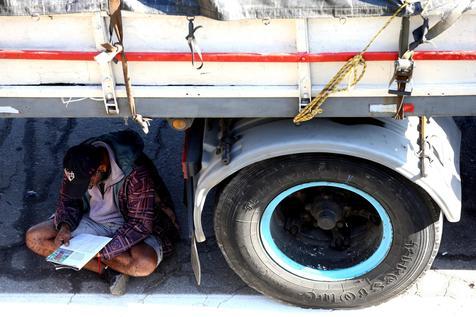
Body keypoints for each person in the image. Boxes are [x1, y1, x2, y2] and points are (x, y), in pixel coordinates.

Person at [25, 130, 180, 295]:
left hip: (129, 225)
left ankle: (102, 260)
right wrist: (65, 226)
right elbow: (67, 199)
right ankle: (107, 271)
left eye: (87, 183)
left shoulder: (135, 173)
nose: (85, 187)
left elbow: (140, 224)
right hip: (94, 221)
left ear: (102, 168)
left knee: (143, 265)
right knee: (34, 238)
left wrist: (104, 251)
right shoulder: (77, 165)